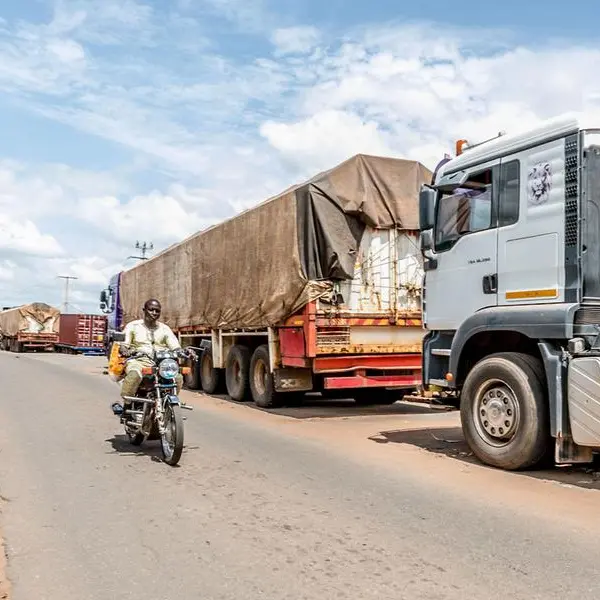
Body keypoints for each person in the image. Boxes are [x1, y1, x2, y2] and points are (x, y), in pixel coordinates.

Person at [111, 298, 187, 415]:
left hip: (160, 364)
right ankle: (127, 406)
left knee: (177, 377)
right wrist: (125, 350)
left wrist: (182, 352)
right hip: (138, 361)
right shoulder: (133, 326)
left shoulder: (164, 329)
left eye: (157, 311)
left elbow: (175, 346)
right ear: (144, 310)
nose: (154, 313)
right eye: (151, 310)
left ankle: (168, 405)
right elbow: (124, 344)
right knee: (134, 374)